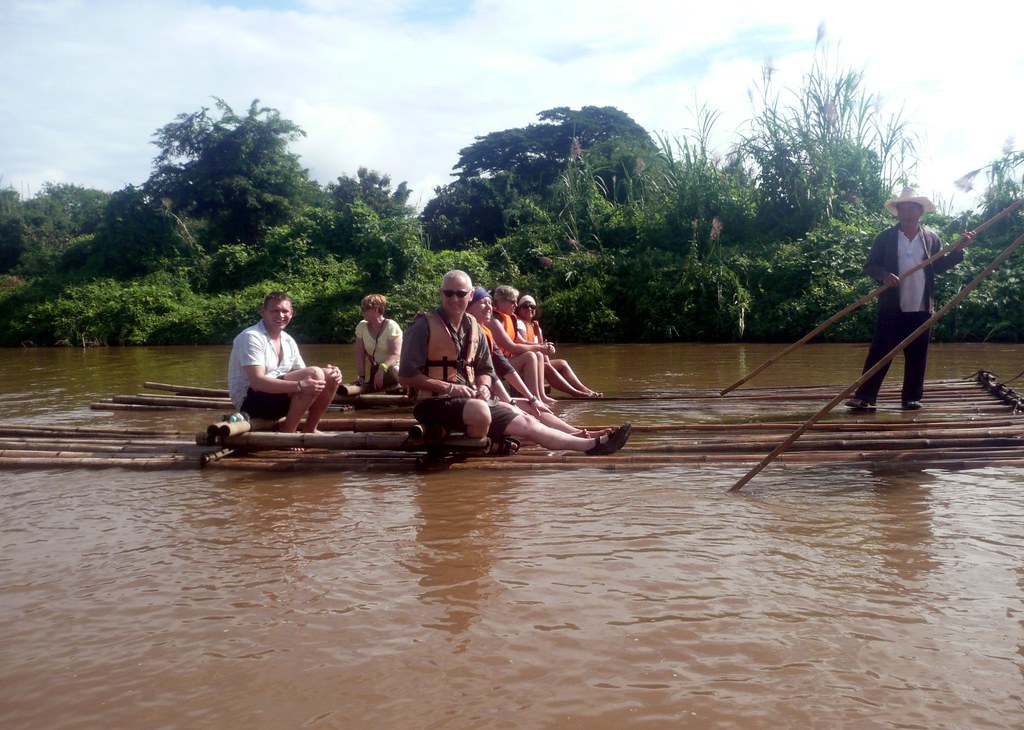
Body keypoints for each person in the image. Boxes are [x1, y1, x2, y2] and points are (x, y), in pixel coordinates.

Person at [397, 270, 631, 455]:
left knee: (526, 419)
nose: (455, 299)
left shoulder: (474, 328)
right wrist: (449, 387)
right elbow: (405, 375)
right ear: (441, 294)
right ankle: (487, 442)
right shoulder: (423, 327)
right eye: (450, 293)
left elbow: (486, 369)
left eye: (461, 294)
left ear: (469, 296)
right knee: (482, 409)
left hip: (471, 401)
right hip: (434, 405)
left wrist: (484, 386)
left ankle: (591, 445)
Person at [844, 187, 976, 411]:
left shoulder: (931, 238)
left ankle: (911, 398)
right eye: (901, 208)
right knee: (880, 352)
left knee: (917, 355)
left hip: (921, 307)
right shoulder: (885, 238)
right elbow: (870, 265)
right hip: (892, 307)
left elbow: (939, 267)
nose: (905, 212)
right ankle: (865, 396)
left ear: (920, 211)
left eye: (910, 208)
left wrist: (958, 250)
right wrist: (884, 276)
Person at [466, 287, 612, 439]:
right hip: (477, 400)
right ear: (469, 306)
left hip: (489, 393)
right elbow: (497, 366)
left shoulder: (484, 332)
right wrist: (511, 402)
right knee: (529, 413)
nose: (489, 307)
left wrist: (531, 399)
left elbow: (500, 367)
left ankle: (573, 432)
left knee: (534, 405)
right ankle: (580, 439)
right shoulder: (475, 329)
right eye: (484, 303)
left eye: (490, 303)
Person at [227, 291, 343, 437]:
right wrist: (299, 386)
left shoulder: (288, 340)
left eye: (284, 311)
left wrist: (329, 372)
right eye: (275, 311)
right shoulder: (251, 337)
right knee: (314, 373)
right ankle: (288, 434)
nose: (280, 316)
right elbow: (257, 382)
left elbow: (304, 373)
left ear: (291, 313)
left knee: (328, 375)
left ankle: (310, 428)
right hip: (250, 403)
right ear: (264, 312)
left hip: (276, 398)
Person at [515, 294, 602, 398]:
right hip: (526, 364)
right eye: (525, 306)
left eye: (532, 307)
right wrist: (543, 351)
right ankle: (577, 393)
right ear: (519, 310)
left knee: (562, 363)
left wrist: (546, 351)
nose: (529, 309)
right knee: (547, 367)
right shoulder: (519, 323)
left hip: (536, 361)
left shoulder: (536, 328)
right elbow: (523, 344)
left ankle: (585, 390)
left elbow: (543, 351)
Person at [486, 284, 557, 404]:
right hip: (495, 366)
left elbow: (522, 342)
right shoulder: (494, 321)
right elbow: (511, 348)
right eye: (513, 302)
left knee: (538, 354)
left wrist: (542, 347)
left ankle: (541, 396)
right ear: (502, 302)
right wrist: (539, 347)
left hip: (506, 362)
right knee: (530, 356)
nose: (516, 305)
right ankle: (534, 398)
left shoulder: (509, 318)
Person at [353, 293, 402, 392]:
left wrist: (382, 368)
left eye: (364, 310)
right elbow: (360, 354)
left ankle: (412, 392)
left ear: (375, 310)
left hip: (396, 369)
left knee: (395, 369)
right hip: (377, 372)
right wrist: (361, 376)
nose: (362, 313)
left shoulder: (391, 326)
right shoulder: (361, 326)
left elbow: (396, 355)